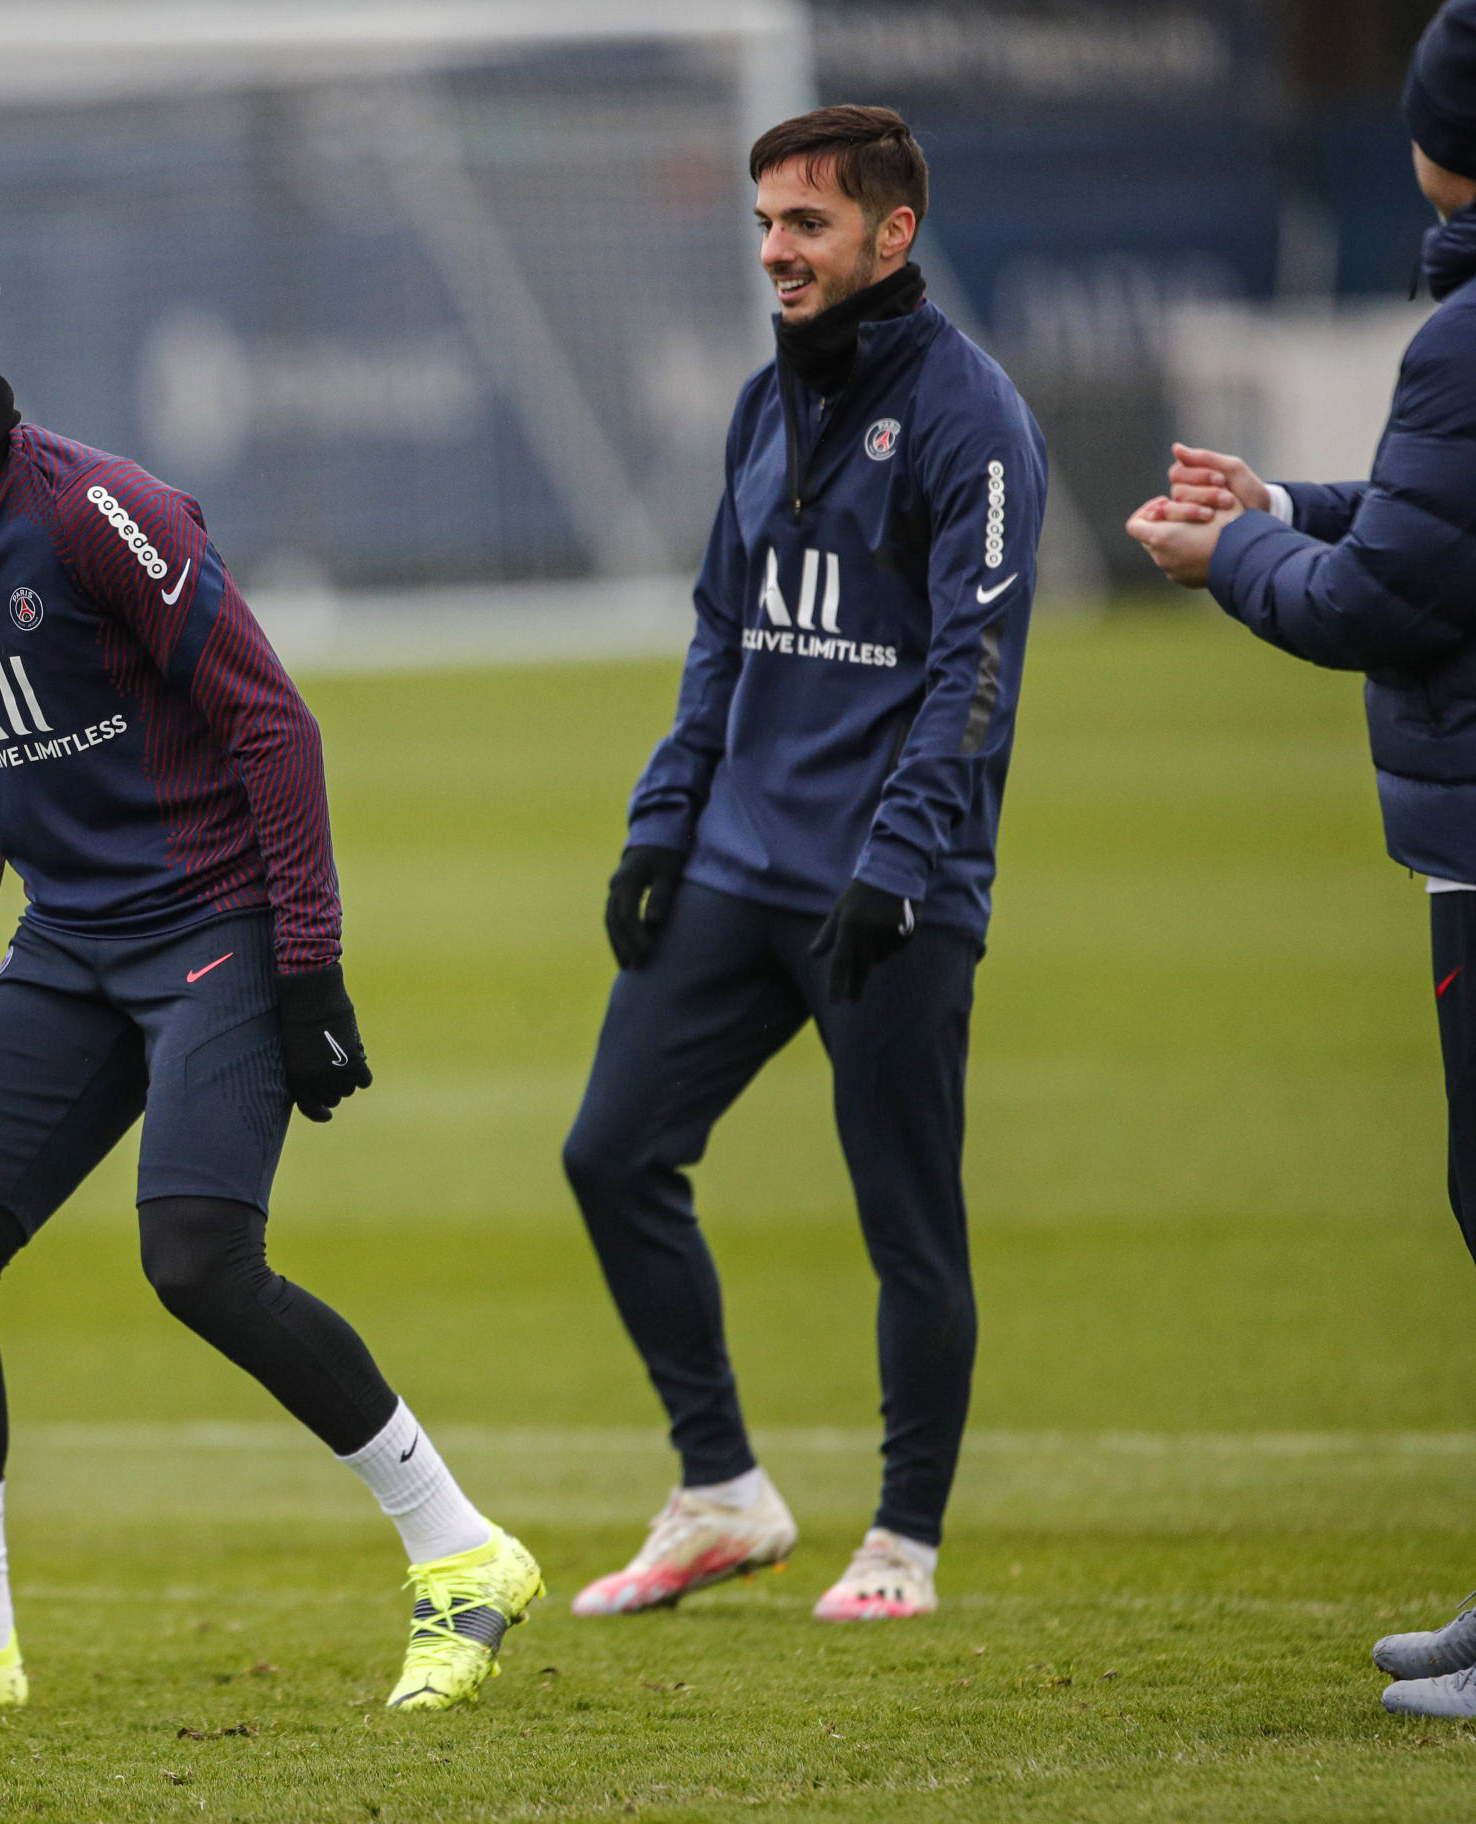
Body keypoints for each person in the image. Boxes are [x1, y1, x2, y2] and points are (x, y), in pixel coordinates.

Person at [0, 238, 542, 1722]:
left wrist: (310, 970)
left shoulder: (99, 511)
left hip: (218, 929)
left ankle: (465, 1555)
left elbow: (274, 726)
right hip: (69, 949)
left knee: (198, 1260)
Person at [560, 106, 1045, 1625]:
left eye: (808, 224)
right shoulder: (762, 401)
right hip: (740, 860)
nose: (776, 248)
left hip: (893, 886)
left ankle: (903, 1544)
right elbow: (726, 625)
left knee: (906, 1219)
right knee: (611, 1152)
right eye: (767, 221)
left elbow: (973, 668)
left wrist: (901, 858)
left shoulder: (974, 419)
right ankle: (723, 1494)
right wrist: (662, 820)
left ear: (892, 234)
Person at [1125, 0, 1476, 1722]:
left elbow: (1389, 600)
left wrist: (1235, 560)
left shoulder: (1465, 341)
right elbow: (1432, 536)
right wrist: (1282, 509)